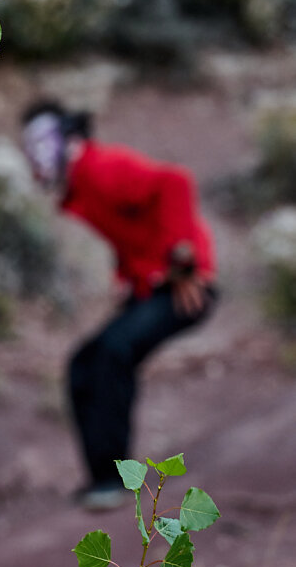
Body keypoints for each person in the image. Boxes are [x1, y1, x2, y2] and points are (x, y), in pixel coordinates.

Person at [21, 101, 217, 510]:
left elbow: (175, 182)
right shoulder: (82, 185)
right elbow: (132, 227)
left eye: (39, 146)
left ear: (68, 142)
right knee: (82, 364)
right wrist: (126, 274)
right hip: (152, 288)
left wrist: (181, 262)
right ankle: (102, 480)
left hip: (186, 287)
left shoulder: (99, 168)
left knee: (113, 353)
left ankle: (114, 480)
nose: (33, 161)